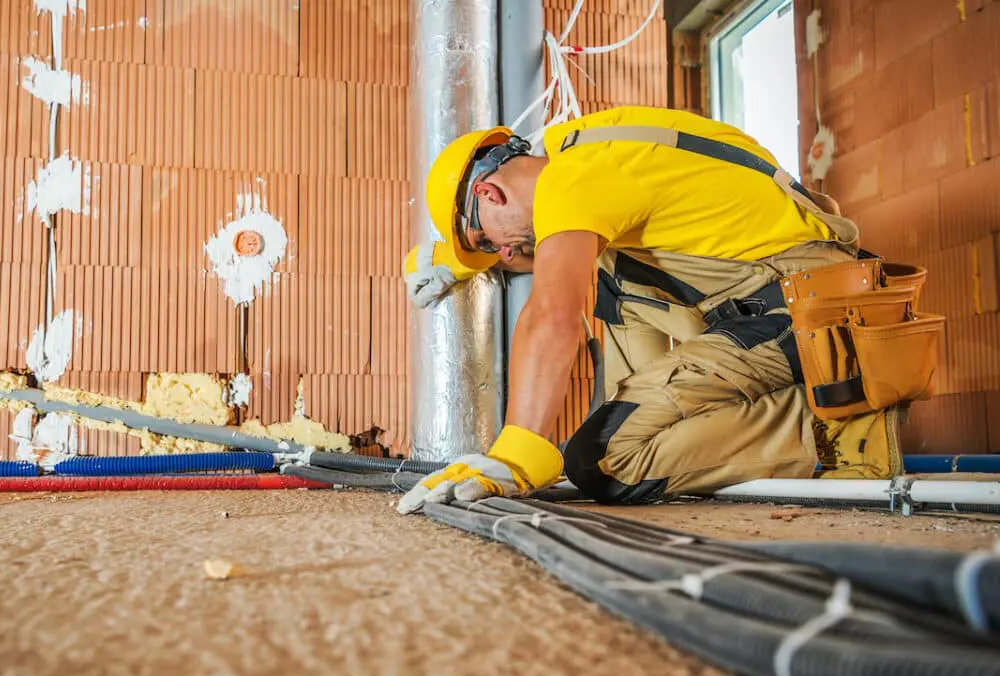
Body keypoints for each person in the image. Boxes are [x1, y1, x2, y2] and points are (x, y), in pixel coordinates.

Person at [398, 105, 941, 514]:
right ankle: (664, 418)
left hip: (816, 314)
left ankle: (838, 423)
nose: (505, 255)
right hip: (788, 302)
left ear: (489, 194)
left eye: (487, 242)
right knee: (608, 270)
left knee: (604, 461)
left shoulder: (572, 179)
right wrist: (457, 260)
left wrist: (516, 455)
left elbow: (552, 313)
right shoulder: (596, 154)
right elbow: (546, 256)